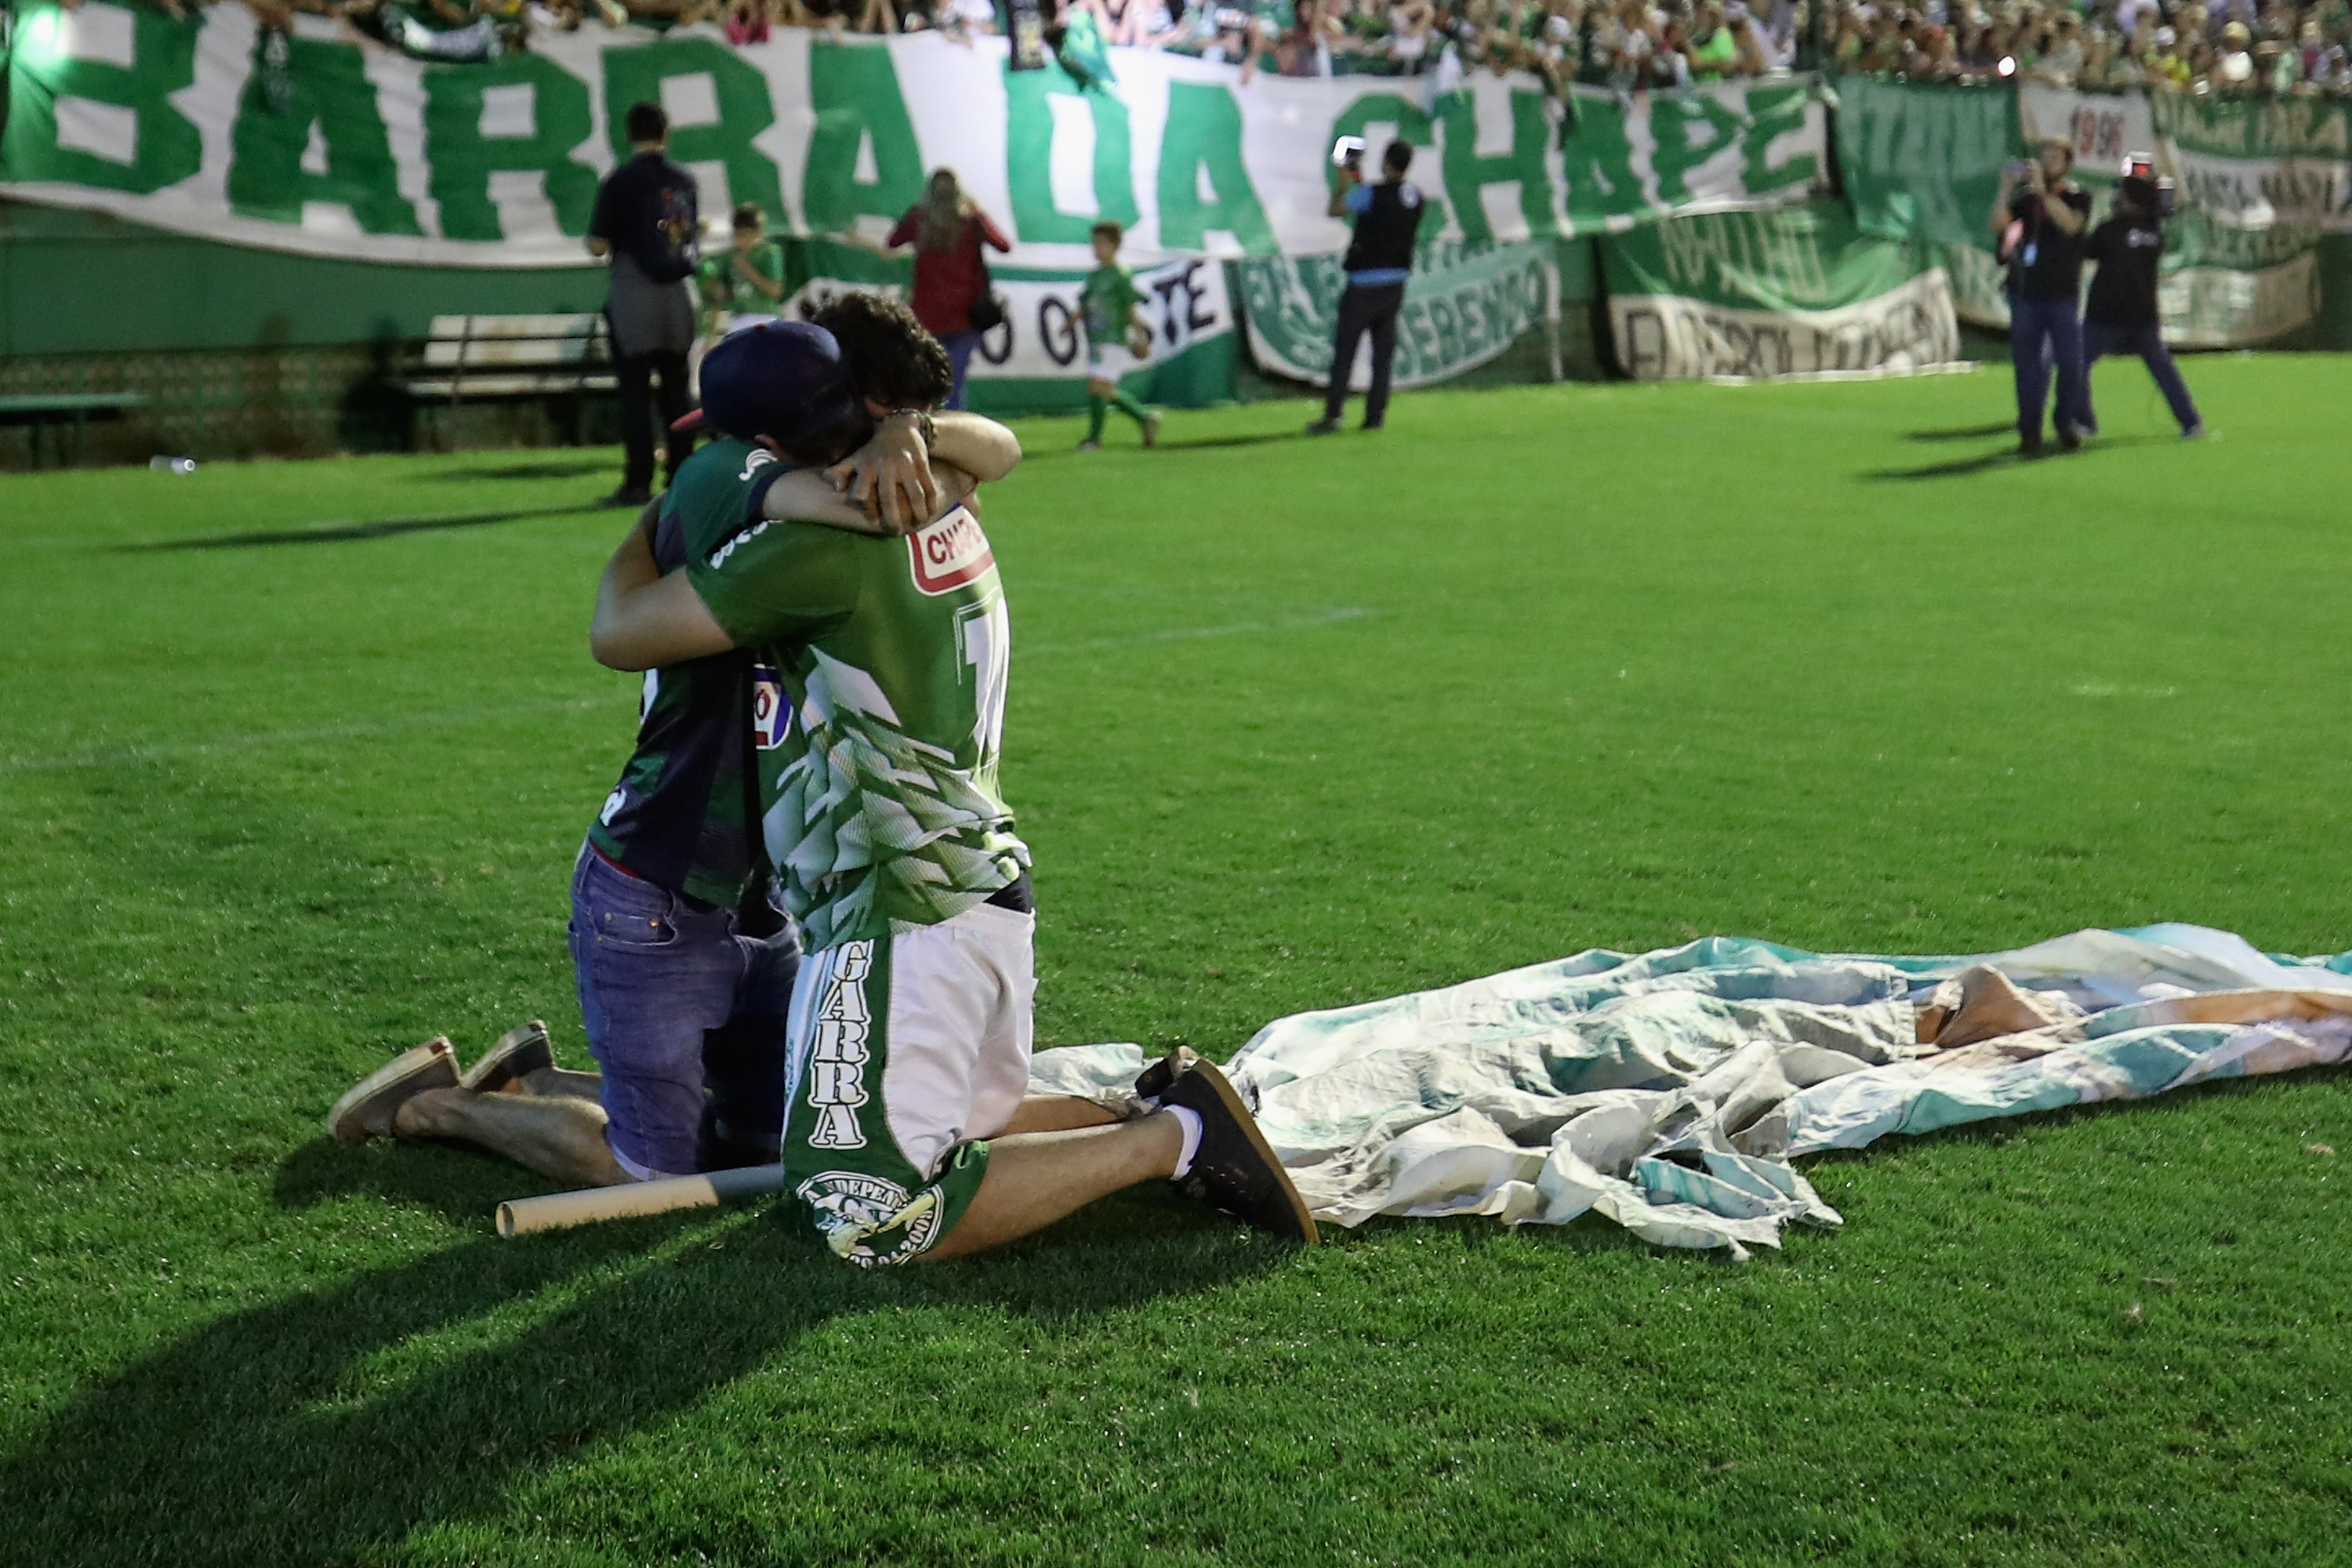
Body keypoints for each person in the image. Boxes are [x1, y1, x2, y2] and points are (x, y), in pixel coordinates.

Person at [585, 327, 1319, 1266]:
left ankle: (1172, 1138)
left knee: (864, 1212)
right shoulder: (941, 494)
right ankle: (1154, 1105)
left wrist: (646, 528)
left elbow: (622, 631)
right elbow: (992, 449)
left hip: (898, 911)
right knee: (957, 1127)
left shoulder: (807, 546)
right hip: (975, 887)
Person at [325, 309, 1014, 1189]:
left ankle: (533, 1076)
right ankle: (436, 1104)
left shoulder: (761, 474)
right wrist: (905, 450)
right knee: (652, 1173)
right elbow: (622, 632)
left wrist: (912, 433)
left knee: (765, 1145)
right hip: (656, 888)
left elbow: (983, 460)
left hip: (763, 897)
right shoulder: (729, 472)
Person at [590, 101, 701, 509]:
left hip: (634, 293)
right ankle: (684, 476)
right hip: (678, 293)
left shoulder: (619, 182)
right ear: (666, 134)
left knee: (634, 392)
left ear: (628, 135)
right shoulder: (684, 180)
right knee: (677, 389)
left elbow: (598, 244)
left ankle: (638, 481)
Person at [1308, 137, 1426, 437]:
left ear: (1386, 162)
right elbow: (1390, 200)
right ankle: (1375, 416)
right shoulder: (1415, 196)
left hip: (1363, 284)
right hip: (1395, 283)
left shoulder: (1369, 194)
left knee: (1346, 351)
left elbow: (1337, 209)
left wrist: (1343, 181)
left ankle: (1334, 415)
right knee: (1382, 354)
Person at [2082, 171, 2205, 440]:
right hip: (2143, 318)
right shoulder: (2154, 233)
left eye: (2121, 195)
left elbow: (2087, 249)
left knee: (2077, 365)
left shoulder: (2110, 230)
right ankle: (2191, 422)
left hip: (2105, 315)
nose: (2115, 200)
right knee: (2164, 371)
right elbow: (2166, 211)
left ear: (2130, 199)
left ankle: (2084, 422)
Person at [1991, 136, 2092, 456]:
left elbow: (2071, 225)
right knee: (2028, 367)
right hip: (2027, 294)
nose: (2047, 161)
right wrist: (2006, 188)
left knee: (2070, 363)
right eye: (2043, 155)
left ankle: (2065, 422)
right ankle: (2029, 430)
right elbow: (1998, 226)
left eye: (2055, 156)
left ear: (2066, 162)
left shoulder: (2077, 196)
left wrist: (2044, 193)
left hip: (2063, 295)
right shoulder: (2024, 199)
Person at [884, 169, 1013, 412]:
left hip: (926, 314)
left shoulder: (917, 219)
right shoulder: (970, 221)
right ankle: (954, 440)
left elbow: (892, 242)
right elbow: (1004, 245)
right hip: (965, 314)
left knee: (927, 381)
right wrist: (981, 213)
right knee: (954, 383)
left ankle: (926, 433)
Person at [1076, 220, 1160, 452]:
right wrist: (1071, 322)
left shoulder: (1121, 275)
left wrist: (1140, 335)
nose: (1096, 249)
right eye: (1094, 244)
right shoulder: (1095, 276)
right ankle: (1145, 419)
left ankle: (1094, 440)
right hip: (1096, 338)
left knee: (1097, 387)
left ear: (1115, 246)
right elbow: (1086, 303)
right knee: (1105, 390)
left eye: (1101, 244)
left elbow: (1130, 308)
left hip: (1113, 338)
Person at [699, 202, 786, 341]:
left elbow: (776, 290)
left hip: (764, 317)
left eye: (746, 235)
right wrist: (716, 289)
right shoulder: (731, 256)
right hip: (738, 318)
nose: (741, 240)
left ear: (757, 233)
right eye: (737, 235)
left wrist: (748, 270)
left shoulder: (769, 253)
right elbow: (724, 294)